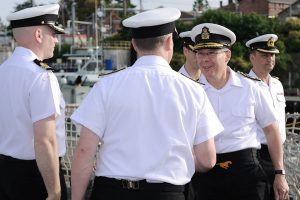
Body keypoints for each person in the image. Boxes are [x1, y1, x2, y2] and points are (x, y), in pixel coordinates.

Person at [70, 8, 224, 200]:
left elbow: (85, 150)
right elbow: (207, 160)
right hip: (167, 193)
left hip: (112, 192)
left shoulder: (106, 85)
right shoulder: (193, 90)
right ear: (169, 42)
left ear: (134, 44)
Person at [189, 23, 289, 200]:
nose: (204, 59)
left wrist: (279, 174)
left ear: (227, 55)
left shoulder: (251, 87)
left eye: (211, 53)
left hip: (246, 173)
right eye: (200, 53)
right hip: (206, 176)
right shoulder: (190, 91)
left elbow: (271, 131)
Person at [0, 4, 67, 200]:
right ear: (39, 35)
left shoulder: (3, 70)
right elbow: (44, 140)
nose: (56, 39)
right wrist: (54, 192)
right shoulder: (40, 76)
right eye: (53, 33)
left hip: (5, 174)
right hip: (36, 177)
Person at [246, 34, 286, 200]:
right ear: (252, 57)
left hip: (278, 155)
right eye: (264, 55)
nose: (270, 58)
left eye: (272, 54)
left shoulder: (277, 84)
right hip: (257, 154)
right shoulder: (244, 85)